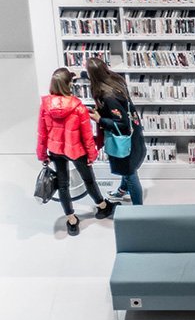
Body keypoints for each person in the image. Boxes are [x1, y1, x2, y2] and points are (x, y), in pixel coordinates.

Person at [36, 68, 118, 235]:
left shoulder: (45, 106)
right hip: (76, 150)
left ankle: (71, 220)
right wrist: (92, 155)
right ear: (68, 85)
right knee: (89, 180)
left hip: (56, 150)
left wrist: (42, 154)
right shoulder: (78, 107)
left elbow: (42, 133)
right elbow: (87, 136)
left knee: (63, 185)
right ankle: (103, 207)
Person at [86, 57, 146, 204]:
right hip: (134, 131)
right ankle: (121, 191)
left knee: (130, 172)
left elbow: (122, 123)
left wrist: (100, 119)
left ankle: (139, 209)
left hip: (123, 137)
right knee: (126, 166)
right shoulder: (115, 79)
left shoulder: (108, 96)